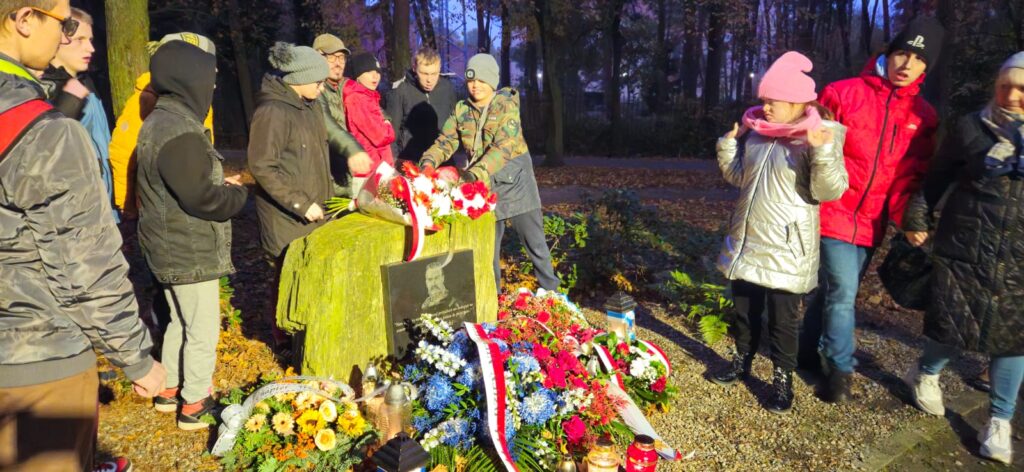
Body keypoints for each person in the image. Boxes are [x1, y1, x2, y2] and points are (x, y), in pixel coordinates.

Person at [0, 1, 165, 470]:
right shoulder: (45, 132)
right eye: (65, 24)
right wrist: (136, 358)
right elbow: (83, 266)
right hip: (35, 362)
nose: (69, 34)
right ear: (24, 19)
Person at [798, 17, 944, 403]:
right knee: (843, 292)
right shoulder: (842, 94)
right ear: (888, 53)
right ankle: (840, 372)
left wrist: (907, 219)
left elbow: (909, 179)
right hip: (832, 210)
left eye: (917, 58)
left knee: (833, 291)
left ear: (927, 68)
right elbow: (810, 151)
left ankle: (803, 353)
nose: (907, 64)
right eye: (901, 53)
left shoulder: (923, 117)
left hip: (873, 222)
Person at [900, 52, 1024, 465]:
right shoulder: (972, 128)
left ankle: (1000, 421)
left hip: (1019, 259)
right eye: (1006, 85)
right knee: (955, 325)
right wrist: (918, 215)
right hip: (966, 245)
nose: (1012, 95)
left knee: (1013, 341)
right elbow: (937, 177)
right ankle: (927, 373)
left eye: (1023, 89)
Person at [709, 52, 849, 414]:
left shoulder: (817, 137)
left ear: (798, 103)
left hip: (788, 247)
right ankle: (741, 362)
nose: (766, 108)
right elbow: (741, 178)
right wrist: (728, 146)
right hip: (749, 240)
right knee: (744, 310)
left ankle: (782, 381)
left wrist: (822, 151)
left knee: (784, 319)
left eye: (773, 101)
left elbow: (828, 190)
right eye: (764, 101)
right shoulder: (758, 136)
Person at [135, 39, 248, 430]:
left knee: (179, 322)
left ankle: (170, 390)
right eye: (209, 78)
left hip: (168, 247)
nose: (213, 86)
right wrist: (237, 195)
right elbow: (201, 198)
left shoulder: (160, 121)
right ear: (189, 79)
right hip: (189, 250)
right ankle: (195, 403)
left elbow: (183, 183)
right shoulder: (179, 130)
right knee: (201, 329)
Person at [419, 53, 560, 293]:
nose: (475, 85)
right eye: (471, 80)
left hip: (516, 183)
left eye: (481, 80)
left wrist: (472, 175)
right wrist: (427, 163)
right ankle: (492, 305)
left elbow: (503, 147)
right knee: (486, 251)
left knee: (536, 246)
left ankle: (553, 297)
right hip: (483, 187)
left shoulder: (505, 105)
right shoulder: (462, 109)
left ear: (492, 82)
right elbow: (446, 141)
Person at [248, 42, 332, 348]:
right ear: (297, 79)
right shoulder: (272, 112)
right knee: (286, 278)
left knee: (307, 277)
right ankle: (283, 340)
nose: (323, 89)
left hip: (313, 212)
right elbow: (262, 165)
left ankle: (305, 333)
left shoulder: (310, 107)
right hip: (286, 217)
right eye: (318, 82)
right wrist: (299, 202)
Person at [109, 32, 217, 220]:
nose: (214, 71)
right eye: (206, 63)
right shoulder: (146, 100)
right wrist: (127, 205)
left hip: (192, 200)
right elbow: (123, 153)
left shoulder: (201, 101)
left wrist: (214, 180)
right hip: (161, 210)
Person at [38, 7, 117, 222]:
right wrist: (68, 102)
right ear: (57, 39)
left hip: (102, 206)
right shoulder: (43, 88)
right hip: (73, 214)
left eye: (90, 39)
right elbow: (44, 150)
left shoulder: (87, 82)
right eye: (80, 39)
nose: (90, 48)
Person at [311, 33, 368, 196]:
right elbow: (327, 125)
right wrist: (353, 149)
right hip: (328, 178)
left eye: (341, 58)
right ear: (318, 57)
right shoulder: (314, 91)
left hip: (351, 174)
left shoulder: (347, 87)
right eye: (332, 57)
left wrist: (385, 118)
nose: (338, 63)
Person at [386, 46, 457, 160]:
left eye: (434, 74)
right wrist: (396, 162)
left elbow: (455, 127)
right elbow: (390, 134)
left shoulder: (447, 89)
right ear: (414, 68)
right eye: (424, 73)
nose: (429, 80)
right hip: (411, 162)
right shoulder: (401, 91)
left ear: (439, 69)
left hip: (442, 161)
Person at [343, 52, 395, 189]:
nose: (375, 76)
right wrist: (388, 125)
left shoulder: (368, 97)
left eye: (377, 72)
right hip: (368, 174)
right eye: (368, 71)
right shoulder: (357, 99)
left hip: (378, 170)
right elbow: (380, 136)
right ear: (358, 75)